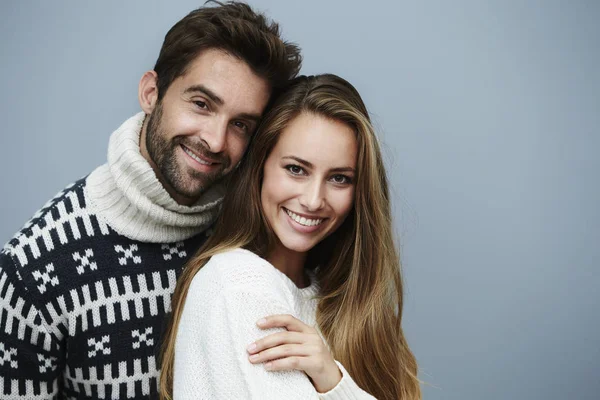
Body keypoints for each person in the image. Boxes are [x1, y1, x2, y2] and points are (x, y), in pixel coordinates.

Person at [0, 2, 301, 399]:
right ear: (151, 92)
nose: (214, 140)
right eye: (201, 104)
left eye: (241, 124)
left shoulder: (259, 233)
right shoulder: (32, 267)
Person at [159, 74, 422, 400]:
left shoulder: (329, 296)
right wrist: (334, 383)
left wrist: (331, 377)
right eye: (296, 169)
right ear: (261, 167)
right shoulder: (239, 284)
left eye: (339, 178)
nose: (313, 200)